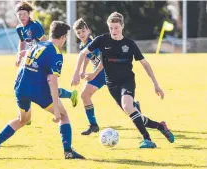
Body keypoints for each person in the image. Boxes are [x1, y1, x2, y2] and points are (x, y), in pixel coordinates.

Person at [0, 21, 85, 159]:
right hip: (38, 91)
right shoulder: (56, 53)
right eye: (65, 37)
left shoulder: (37, 45)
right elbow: (52, 81)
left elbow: (25, 65)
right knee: (63, 115)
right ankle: (68, 151)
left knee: (22, 119)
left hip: (20, 87)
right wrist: (56, 109)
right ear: (63, 37)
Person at [71, 12, 175, 148]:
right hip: (111, 84)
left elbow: (145, 63)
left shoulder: (129, 44)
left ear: (122, 27)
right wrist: (78, 73)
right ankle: (160, 126)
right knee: (133, 114)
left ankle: (148, 140)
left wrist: (156, 84)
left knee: (128, 107)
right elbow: (85, 54)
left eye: (116, 27)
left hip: (127, 81)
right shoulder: (102, 40)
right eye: (111, 28)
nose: (114, 31)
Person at [15, 1, 78, 114]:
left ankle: (70, 95)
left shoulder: (35, 26)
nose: (22, 17)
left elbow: (45, 43)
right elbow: (22, 41)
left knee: (44, 87)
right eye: (19, 14)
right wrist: (20, 56)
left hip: (40, 59)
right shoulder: (19, 28)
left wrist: (34, 54)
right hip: (30, 57)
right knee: (26, 83)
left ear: (29, 14)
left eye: (24, 14)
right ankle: (25, 114)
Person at [72, 18, 105, 135]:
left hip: (108, 72)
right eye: (78, 33)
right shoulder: (83, 45)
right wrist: (83, 70)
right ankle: (93, 125)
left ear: (88, 30)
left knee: (121, 102)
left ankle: (134, 106)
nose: (81, 34)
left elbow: (105, 60)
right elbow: (87, 57)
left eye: (83, 31)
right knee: (84, 95)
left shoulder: (94, 43)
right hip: (99, 73)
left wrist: (94, 74)